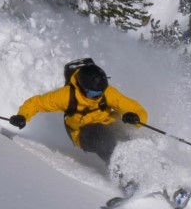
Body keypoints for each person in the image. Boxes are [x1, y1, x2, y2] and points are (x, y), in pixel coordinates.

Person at [10, 59, 148, 164]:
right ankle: (125, 178)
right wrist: (22, 116)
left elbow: (135, 108)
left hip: (108, 124)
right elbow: (36, 103)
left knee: (129, 140)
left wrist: (135, 117)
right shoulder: (66, 96)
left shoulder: (107, 92)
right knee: (103, 138)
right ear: (82, 87)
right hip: (83, 132)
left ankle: (152, 171)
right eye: (94, 93)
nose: (98, 96)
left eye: (100, 92)